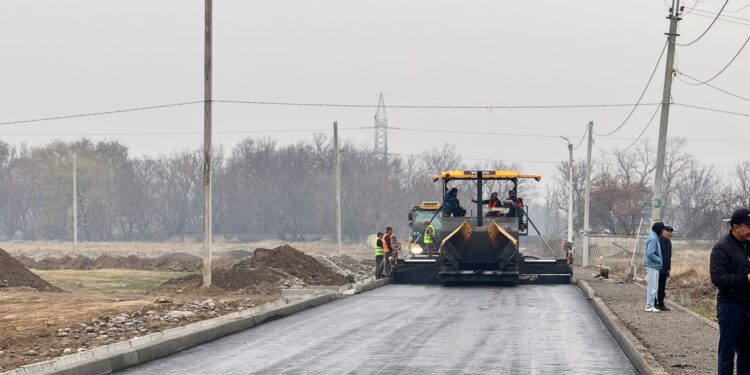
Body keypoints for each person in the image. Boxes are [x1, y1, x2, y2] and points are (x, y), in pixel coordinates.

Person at [710, 208, 750, 375]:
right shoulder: (722, 248)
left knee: (747, 354)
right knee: (727, 352)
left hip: (749, 304)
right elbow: (718, 279)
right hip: (730, 305)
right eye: (748, 226)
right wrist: (744, 278)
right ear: (735, 227)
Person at [643, 221, 665, 313]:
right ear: (659, 230)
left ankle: (651, 305)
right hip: (652, 265)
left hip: (653, 265)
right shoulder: (653, 238)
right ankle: (649, 306)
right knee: (652, 287)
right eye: (663, 229)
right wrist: (659, 260)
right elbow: (650, 253)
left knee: (653, 286)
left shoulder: (653, 237)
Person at [655, 225, 673, 311]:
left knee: (662, 287)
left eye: (670, 232)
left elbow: (669, 257)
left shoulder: (669, 243)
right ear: (663, 231)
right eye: (667, 231)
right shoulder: (658, 240)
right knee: (655, 286)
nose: (669, 233)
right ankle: (654, 303)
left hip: (665, 269)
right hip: (658, 267)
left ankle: (661, 304)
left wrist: (668, 268)